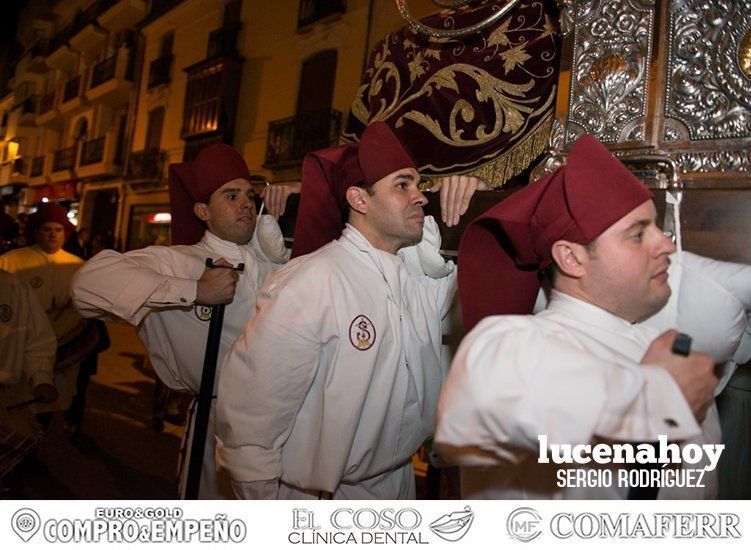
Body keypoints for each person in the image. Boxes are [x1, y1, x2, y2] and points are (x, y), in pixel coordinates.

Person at [434, 134, 751, 499]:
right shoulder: (516, 342)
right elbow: (475, 407)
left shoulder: (663, 350)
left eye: (657, 228)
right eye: (637, 235)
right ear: (572, 258)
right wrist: (655, 400)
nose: (667, 246)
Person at [215, 121, 488, 499]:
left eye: (419, 185)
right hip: (321, 497)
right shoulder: (314, 280)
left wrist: (484, 197)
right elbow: (255, 411)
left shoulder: (420, 282)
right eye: (403, 185)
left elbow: (493, 286)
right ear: (360, 200)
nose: (421, 196)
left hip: (399, 485)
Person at [72, 144, 298, 499]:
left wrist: (284, 223)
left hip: (288, 424)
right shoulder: (180, 261)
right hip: (221, 425)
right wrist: (194, 289)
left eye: (250, 196)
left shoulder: (271, 257)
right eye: (231, 195)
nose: (246, 203)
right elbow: (87, 285)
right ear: (203, 211)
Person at [0, 204, 85, 426]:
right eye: (46, 229)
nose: (52, 234)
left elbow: (79, 311)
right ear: (36, 232)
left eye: (58, 230)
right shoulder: (12, 261)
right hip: (18, 353)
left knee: (40, 411)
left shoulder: (78, 266)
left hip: (59, 343)